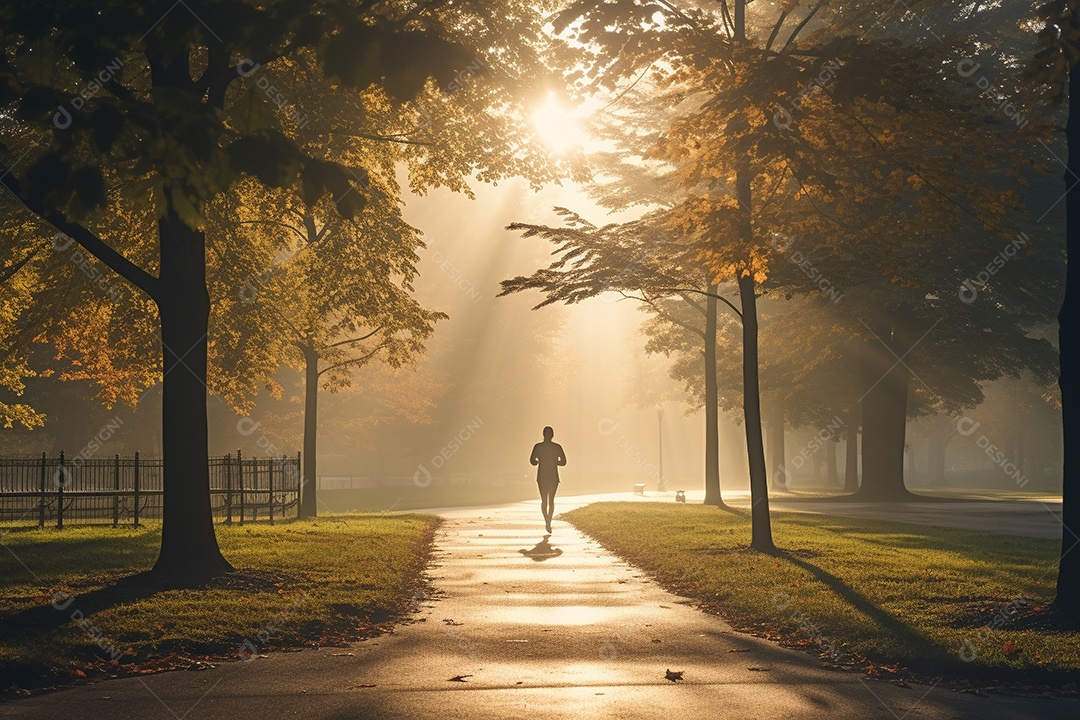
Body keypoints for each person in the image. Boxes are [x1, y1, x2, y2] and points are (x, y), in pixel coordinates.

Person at [530, 426, 566, 533]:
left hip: (542, 476)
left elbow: (532, 461)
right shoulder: (557, 447)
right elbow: (564, 462)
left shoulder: (538, 447)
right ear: (552, 435)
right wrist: (554, 462)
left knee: (544, 501)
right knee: (551, 501)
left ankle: (547, 520)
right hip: (553, 476)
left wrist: (539, 461)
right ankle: (549, 521)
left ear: (543, 434)